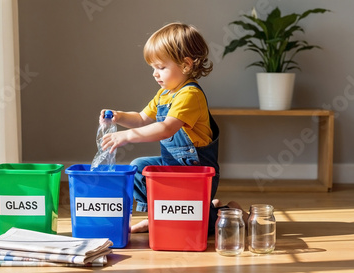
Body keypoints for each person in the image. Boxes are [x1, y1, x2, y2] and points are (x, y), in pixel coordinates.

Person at [99, 22, 247, 235]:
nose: (154, 74)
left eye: (161, 67)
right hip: (173, 167)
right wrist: (119, 116)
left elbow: (166, 128)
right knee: (138, 168)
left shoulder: (190, 95)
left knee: (191, 225)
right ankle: (157, 217)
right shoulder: (164, 94)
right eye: (153, 68)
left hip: (196, 173)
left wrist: (128, 136)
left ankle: (230, 212)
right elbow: (141, 118)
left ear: (186, 65)